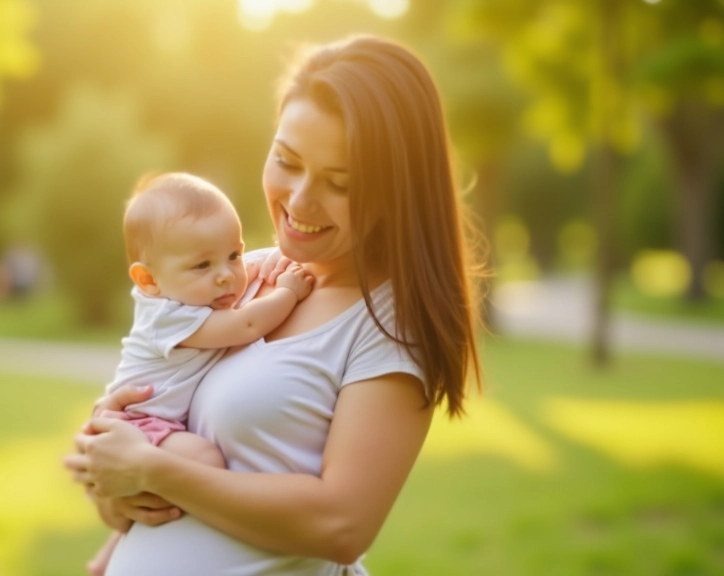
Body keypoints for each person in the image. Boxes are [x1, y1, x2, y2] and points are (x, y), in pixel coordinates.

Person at [64, 35, 482, 575]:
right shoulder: (243, 274)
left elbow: (341, 526)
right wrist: (116, 490)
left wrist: (154, 471)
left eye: (340, 183)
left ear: (394, 191)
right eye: (287, 160)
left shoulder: (390, 324)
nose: (301, 200)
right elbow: (136, 457)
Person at [87, 172, 316, 575]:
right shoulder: (168, 316)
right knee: (204, 459)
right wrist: (289, 292)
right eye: (202, 265)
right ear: (149, 279)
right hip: (140, 421)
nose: (227, 274)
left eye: (233, 255)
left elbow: (247, 282)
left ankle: (109, 553)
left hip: (153, 421)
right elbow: (245, 326)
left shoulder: (196, 293)